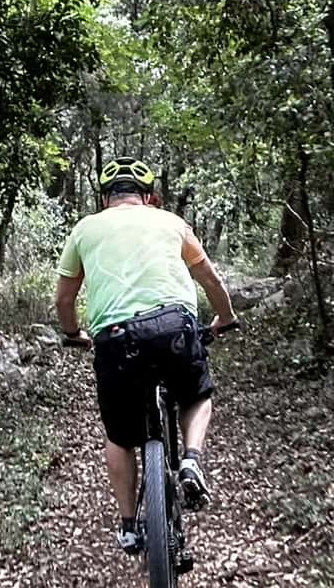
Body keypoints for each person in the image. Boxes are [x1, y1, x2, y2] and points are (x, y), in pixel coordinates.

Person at [54, 158, 239, 554]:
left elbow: (64, 298)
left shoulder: (85, 229)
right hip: (174, 326)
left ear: (105, 199)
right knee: (196, 394)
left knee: (120, 436)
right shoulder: (171, 221)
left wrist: (73, 333)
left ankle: (127, 524)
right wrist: (225, 317)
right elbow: (209, 278)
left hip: (115, 338)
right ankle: (190, 459)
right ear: (149, 197)